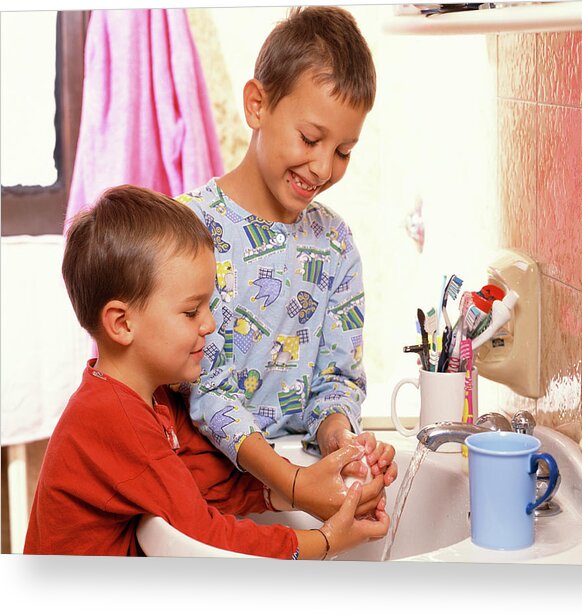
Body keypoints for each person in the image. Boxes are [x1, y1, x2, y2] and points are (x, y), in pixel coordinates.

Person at [23, 185, 389, 558]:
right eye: (191, 311)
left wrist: (296, 492)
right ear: (121, 323)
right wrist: (326, 542)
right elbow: (204, 535)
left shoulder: (155, 400)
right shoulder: (110, 418)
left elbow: (207, 482)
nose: (210, 324)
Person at [177, 6, 397, 522]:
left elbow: (336, 381)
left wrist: (343, 442)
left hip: (295, 477)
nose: (323, 167)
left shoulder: (336, 244)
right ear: (258, 105)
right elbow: (207, 390)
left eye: (344, 150)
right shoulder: (187, 231)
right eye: (311, 139)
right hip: (206, 494)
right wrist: (293, 483)